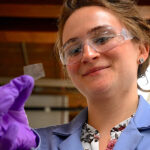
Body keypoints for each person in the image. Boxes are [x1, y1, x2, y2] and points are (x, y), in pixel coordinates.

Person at [0, 0, 150, 149]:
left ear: (142, 49)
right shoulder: (35, 145)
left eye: (102, 38)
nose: (87, 54)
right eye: (74, 50)